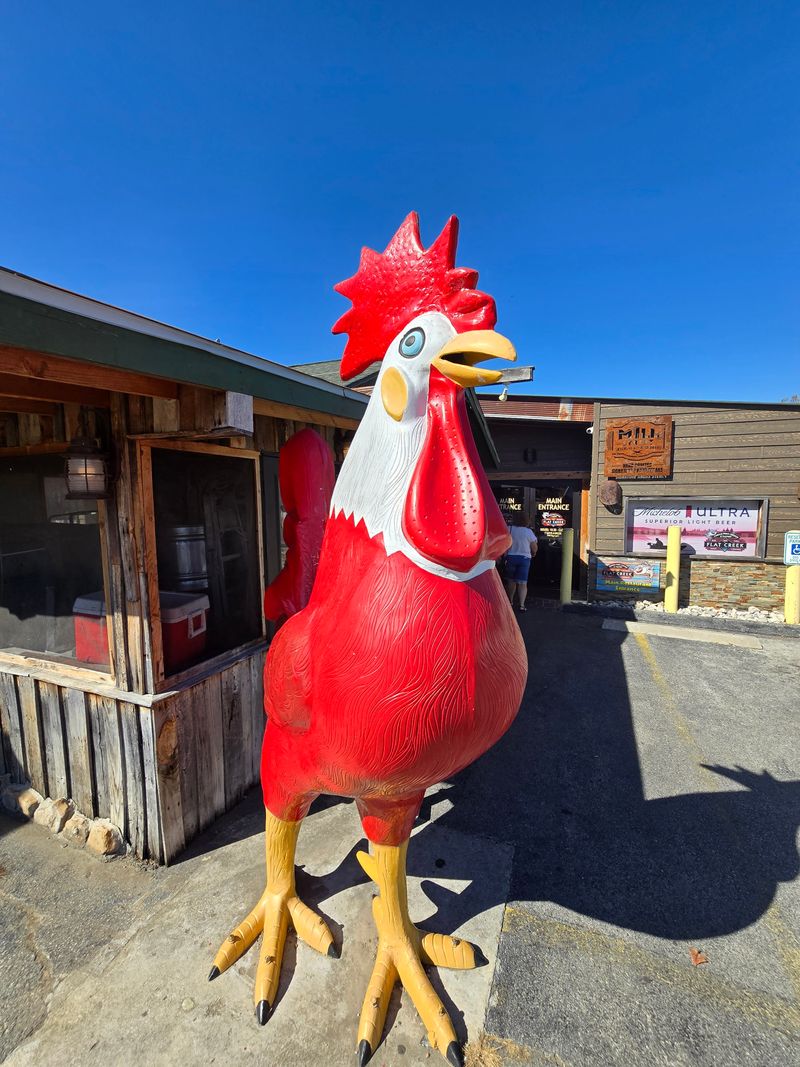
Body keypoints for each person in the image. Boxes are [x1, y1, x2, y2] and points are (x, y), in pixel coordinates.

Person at [504, 515, 538, 611]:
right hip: (524, 559)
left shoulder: (509, 529)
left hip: (511, 557)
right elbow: (534, 547)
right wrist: (534, 553)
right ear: (526, 521)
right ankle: (522, 605)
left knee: (511, 581)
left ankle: (510, 601)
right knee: (523, 583)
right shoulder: (528, 532)